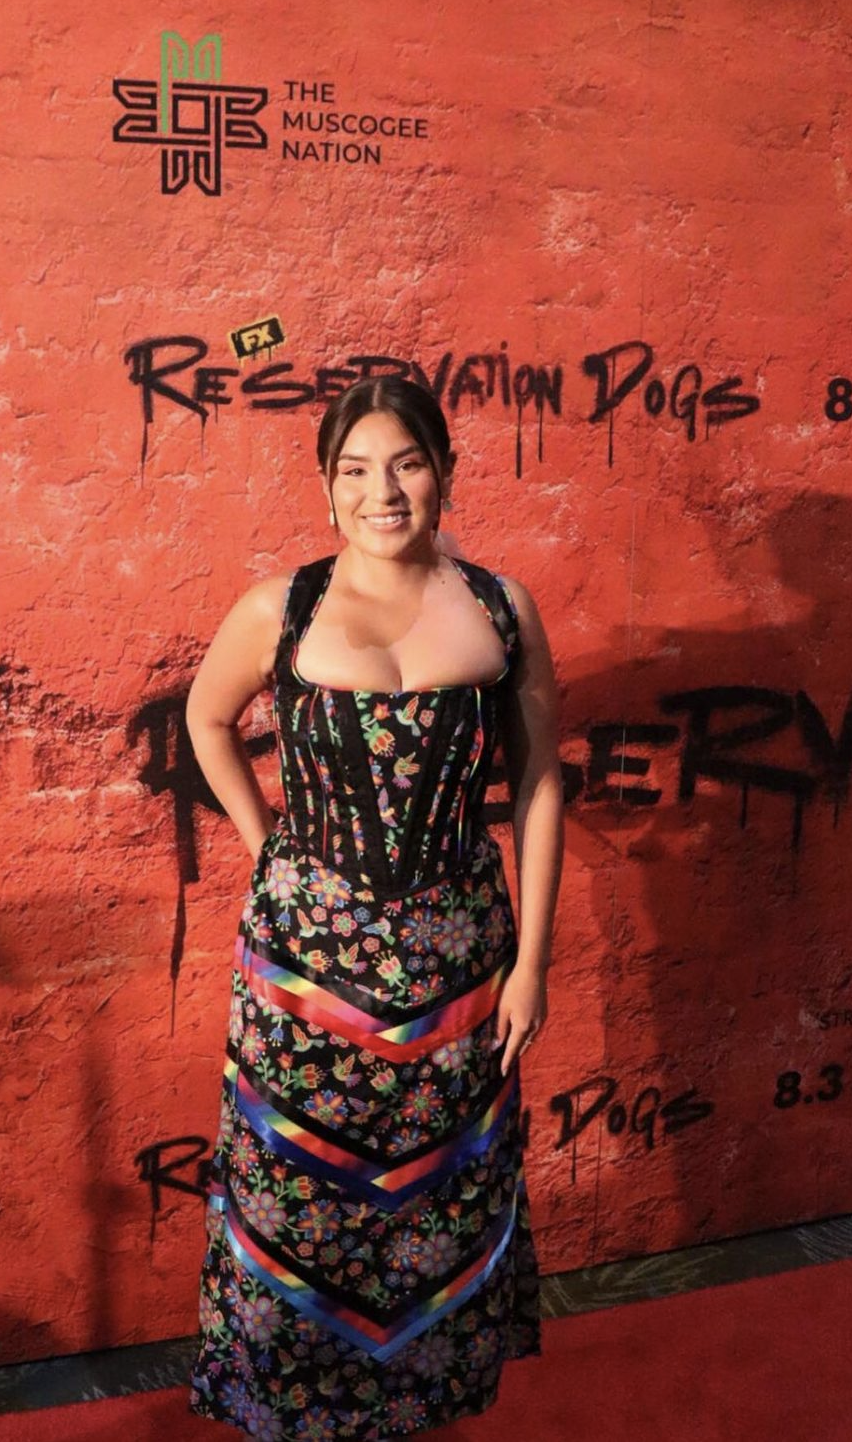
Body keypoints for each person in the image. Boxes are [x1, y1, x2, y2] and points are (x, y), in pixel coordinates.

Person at [185, 376, 564, 1441]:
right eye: (353, 469)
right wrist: (274, 853)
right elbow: (207, 721)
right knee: (297, 1210)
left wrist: (532, 962)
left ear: (443, 466)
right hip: (300, 980)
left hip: (462, 975)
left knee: (438, 1214)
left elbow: (537, 779)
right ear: (325, 484)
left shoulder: (499, 606)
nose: (380, 490)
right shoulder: (282, 607)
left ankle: (421, 1412)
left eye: (403, 461)